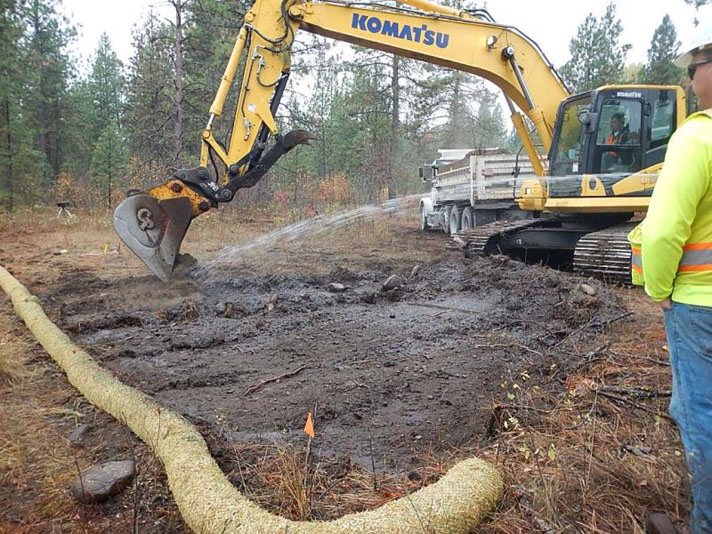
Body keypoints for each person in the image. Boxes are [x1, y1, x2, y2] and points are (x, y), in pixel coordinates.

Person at [635, 19, 712, 534]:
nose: (688, 80)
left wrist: (657, 288)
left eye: (694, 69)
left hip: (699, 304)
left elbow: (662, 233)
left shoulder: (697, 138)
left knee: (701, 411)